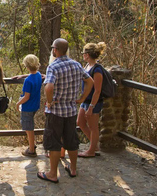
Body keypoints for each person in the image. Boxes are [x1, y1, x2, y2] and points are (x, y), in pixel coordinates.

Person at [37, 38, 94, 183]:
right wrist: (82, 98)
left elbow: (49, 87)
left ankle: (52, 174)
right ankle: (73, 169)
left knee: (54, 141)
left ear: (55, 50)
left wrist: (49, 102)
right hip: (71, 110)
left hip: (56, 111)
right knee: (71, 140)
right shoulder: (76, 65)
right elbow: (90, 81)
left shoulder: (53, 67)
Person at [77, 42, 107, 157]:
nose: (83, 55)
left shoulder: (97, 69)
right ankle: (95, 146)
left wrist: (91, 107)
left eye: (84, 53)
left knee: (93, 127)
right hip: (86, 100)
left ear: (88, 54)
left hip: (94, 103)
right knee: (80, 122)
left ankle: (91, 151)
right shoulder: (86, 67)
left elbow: (97, 90)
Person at [15, 54, 42, 157]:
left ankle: (31, 150)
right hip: (35, 105)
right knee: (30, 126)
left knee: (28, 128)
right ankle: (32, 145)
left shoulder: (28, 81)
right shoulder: (38, 75)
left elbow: (26, 96)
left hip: (28, 107)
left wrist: (18, 103)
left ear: (26, 66)